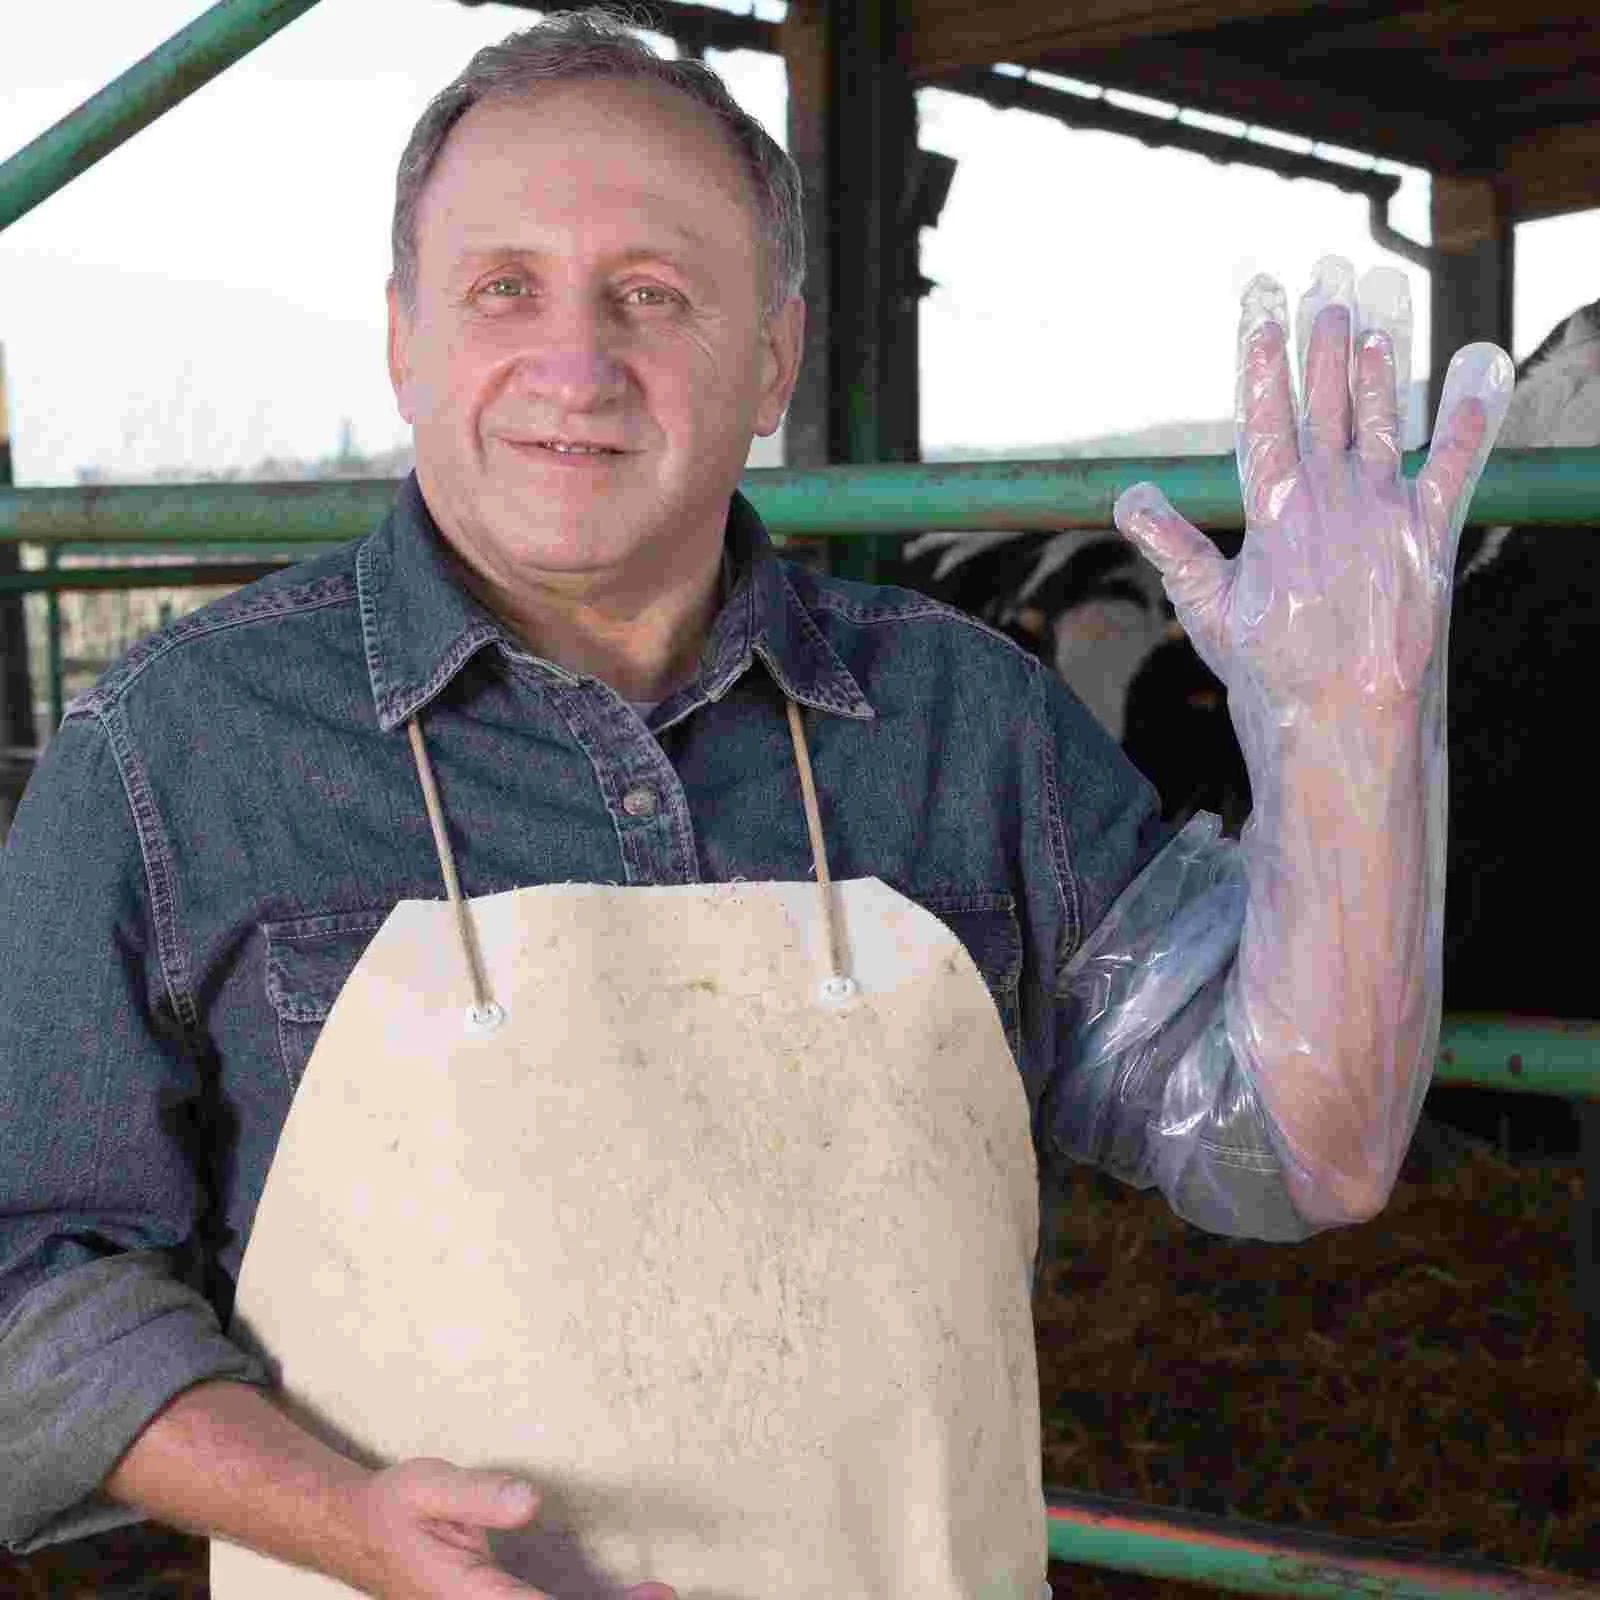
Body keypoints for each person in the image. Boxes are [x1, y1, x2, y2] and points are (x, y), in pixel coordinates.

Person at [0, 11, 1512, 1599]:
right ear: (403, 339)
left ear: (774, 359)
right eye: (504, 288)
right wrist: (341, 1522)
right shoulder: (176, 752)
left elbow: (1297, 1146)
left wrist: (1350, 745)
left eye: (652, 294)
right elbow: (25, 1272)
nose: (576, 366)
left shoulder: (967, 726)